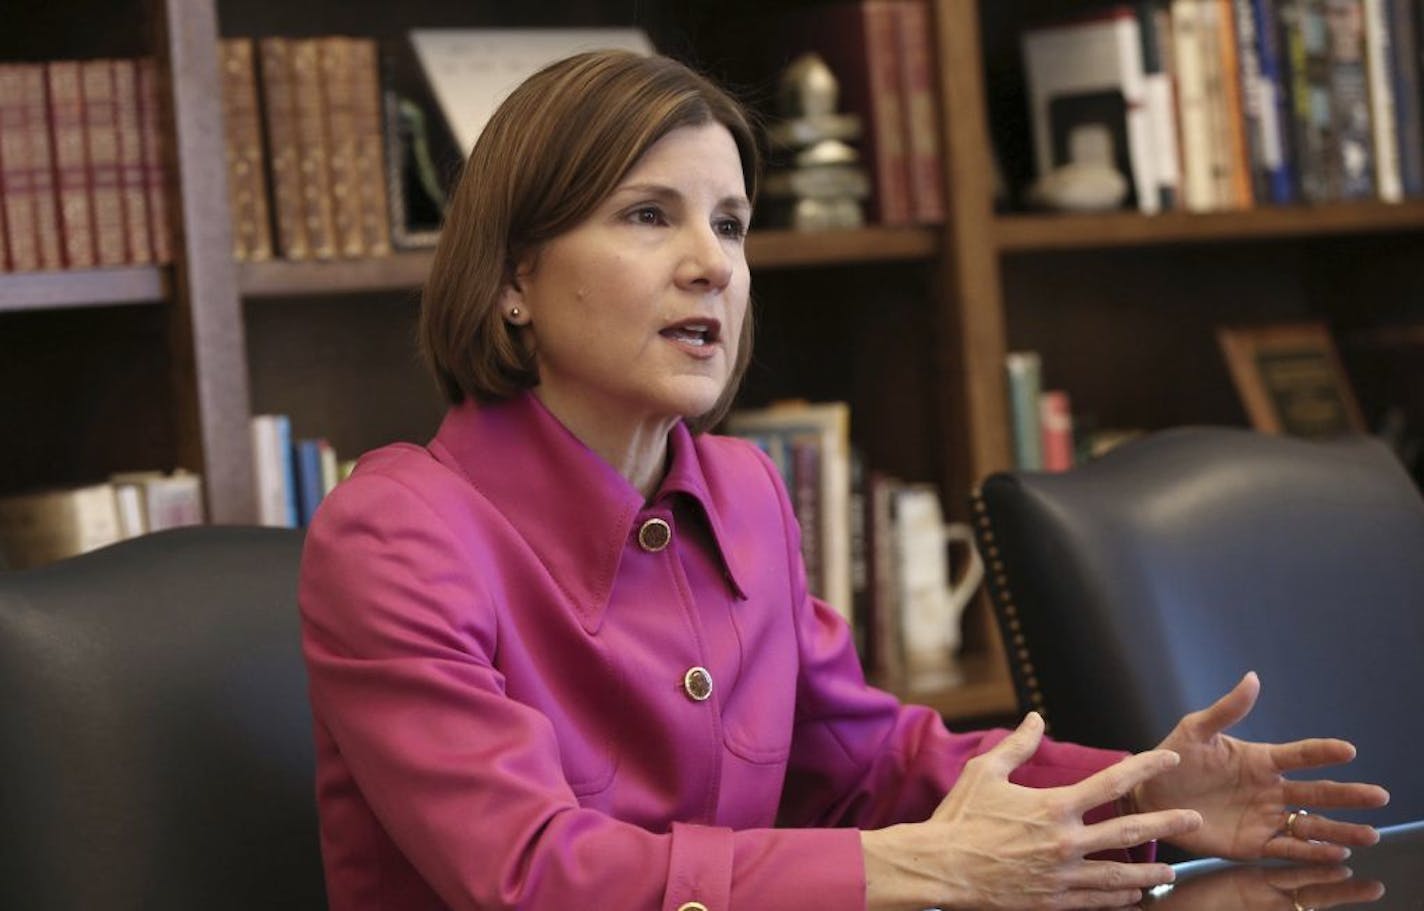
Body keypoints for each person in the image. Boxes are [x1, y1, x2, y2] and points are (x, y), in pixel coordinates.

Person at [298, 50, 1389, 911]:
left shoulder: (743, 493)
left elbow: (869, 762)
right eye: (648, 215)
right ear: (509, 279)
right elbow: (531, 873)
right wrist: (921, 868)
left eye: (729, 223)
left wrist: (1141, 795)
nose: (711, 263)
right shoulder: (394, 534)